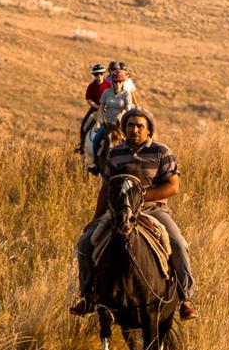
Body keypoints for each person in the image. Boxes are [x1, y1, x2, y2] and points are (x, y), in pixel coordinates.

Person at [71, 106, 197, 320]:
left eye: (140, 126)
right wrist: (95, 218)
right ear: (124, 128)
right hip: (118, 211)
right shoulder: (115, 153)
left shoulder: (161, 152)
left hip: (153, 210)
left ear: (149, 130)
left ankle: (186, 298)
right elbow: (106, 187)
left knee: (178, 243)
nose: (135, 130)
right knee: (85, 243)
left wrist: (137, 198)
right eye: (130, 125)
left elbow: (173, 187)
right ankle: (88, 296)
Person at [89, 60, 136, 162]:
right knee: (96, 139)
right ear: (112, 82)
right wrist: (97, 123)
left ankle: (134, 161)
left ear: (123, 82)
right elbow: (101, 108)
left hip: (120, 124)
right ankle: (96, 163)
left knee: (132, 142)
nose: (117, 84)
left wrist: (128, 124)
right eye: (115, 82)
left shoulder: (126, 94)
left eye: (120, 82)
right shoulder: (106, 92)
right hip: (107, 123)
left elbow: (128, 110)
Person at [77, 62, 106, 157]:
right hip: (95, 109)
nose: (99, 76)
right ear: (94, 75)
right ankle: (82, 144)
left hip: (107, 109)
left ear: (104, 74)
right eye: (96, 74)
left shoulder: (109, 85)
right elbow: (89, 100)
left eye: (101, 74)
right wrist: (98, 107)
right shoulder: (91, 86)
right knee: (85, 123)